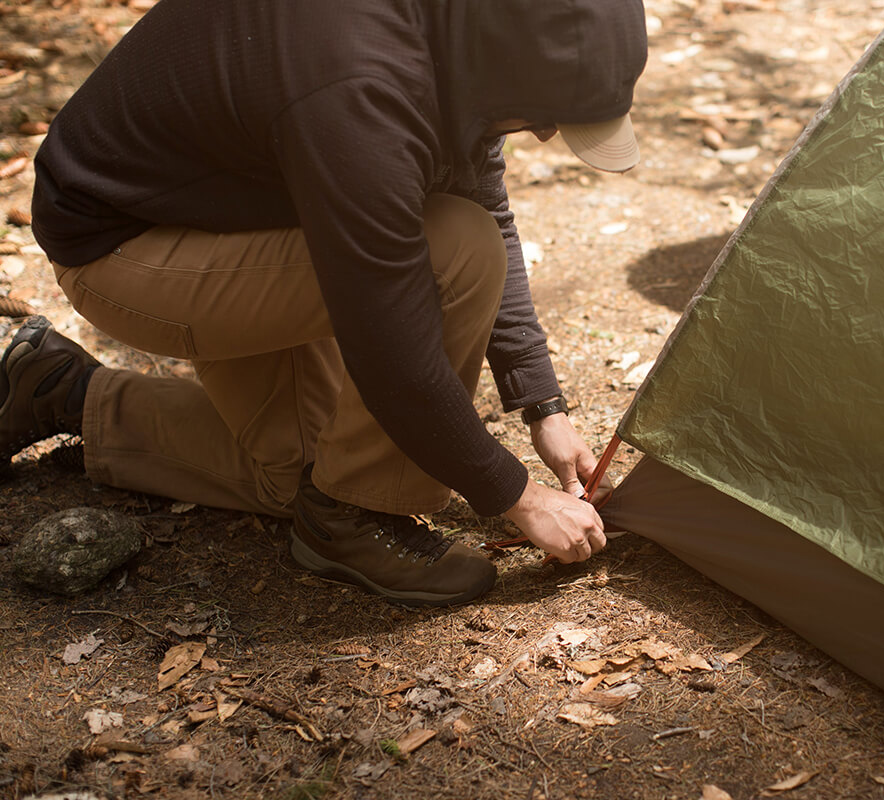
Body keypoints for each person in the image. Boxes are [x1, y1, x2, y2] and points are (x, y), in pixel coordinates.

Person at [0, 0, 648, 606]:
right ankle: (355, 517)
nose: (544, 134)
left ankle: (61, 389)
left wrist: (542, 405)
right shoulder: (358, 80)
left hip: (238, 206)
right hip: (127, 246)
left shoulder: (461, 31)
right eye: (544, 116)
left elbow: (480, 191)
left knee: (310, 477)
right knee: (457, 251)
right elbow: (390, 347)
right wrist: (519, 496)